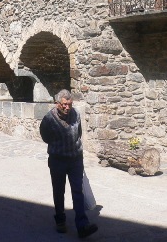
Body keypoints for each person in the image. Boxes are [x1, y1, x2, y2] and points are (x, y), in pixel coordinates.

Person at [39, 89, 98, 239]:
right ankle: (60, 220)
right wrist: (59, 146)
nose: (67, 107)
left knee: (78, 191)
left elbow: (79, 133)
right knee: (59, 191)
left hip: (75, 160)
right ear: (57, 103)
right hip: (57, 160)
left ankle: (82, 225)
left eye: (69, 104)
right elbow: (45, 137)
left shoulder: (76, 114)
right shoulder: (49, 119)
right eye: (64, 104)